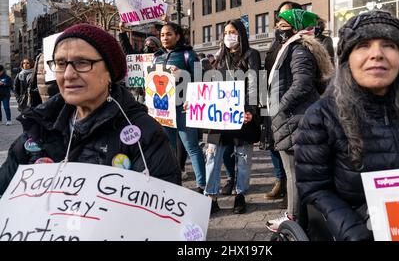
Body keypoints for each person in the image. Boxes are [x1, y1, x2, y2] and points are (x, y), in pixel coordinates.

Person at [295, 10, 399, 241]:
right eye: (363, 45)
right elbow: (314, 188)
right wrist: (352, 230)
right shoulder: (322, 116)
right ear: (348, 59)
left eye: (388, 45)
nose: (377, 54)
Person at [0, 23, 181, 195]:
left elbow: (162, 214)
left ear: (109, 72)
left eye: (82, 63)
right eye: (61, 64)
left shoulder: (144, 134)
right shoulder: (39, 125)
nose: (69, 75)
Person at [265, 9, 333, 232]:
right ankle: (297, 218)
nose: (278, 29)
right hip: (294, 118)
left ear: (294, 27)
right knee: (295, 172)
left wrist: (278, 107)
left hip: (294, 118)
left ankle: (293, 220)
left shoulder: (298, 50)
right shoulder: (297, 47)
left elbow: (301, 84)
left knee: (293, 173)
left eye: (283, 25)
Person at [204, 19, 261, 214]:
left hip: (242, 115)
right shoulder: (220, 56)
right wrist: (197, 101)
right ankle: (210, 197)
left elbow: (254, 83)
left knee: (243, 158)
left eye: (232, 31)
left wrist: (251, 110)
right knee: (211, 155)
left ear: (241, 33)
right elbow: (210, 85)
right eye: (225, 32)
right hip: (218, 117)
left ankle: (240, 195)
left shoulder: (251, 55)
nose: (228, 35)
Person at [151, 22, 206, 194]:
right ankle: (174, 186)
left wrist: (190, 96)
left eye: (168, 34)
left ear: (178, 36)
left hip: (184, 109)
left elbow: (200, 79)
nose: (165, 38)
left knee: (191, 147)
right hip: (163, 111)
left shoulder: (188, 54)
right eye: (162, 35)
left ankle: (202, 186)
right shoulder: (156, 56)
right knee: (169, 149)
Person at [263, 1, 303, 207]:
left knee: (294, 166)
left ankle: (293, 208)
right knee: (276, 149)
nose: (282, 20)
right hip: (275, 107)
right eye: (280, 16)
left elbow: (303, 82)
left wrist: (280, 105)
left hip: (290, 111)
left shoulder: (302, 44)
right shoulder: (276, 43)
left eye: (288, 16)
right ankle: (283, 184)